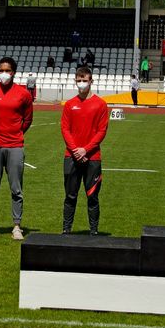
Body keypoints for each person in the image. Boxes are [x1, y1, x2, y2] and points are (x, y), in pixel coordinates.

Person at [0, 57, 33, 240]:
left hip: (15, 146)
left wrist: (16, 133)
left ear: (13, 72)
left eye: (8, 70)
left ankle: (17, 226)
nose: (4, 74)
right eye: (1, 70)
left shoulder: (23, 94)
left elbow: (27, 119)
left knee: (16, 189)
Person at [61, 67, 109, 235]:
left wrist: (85, 150)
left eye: (85, 80)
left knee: (93, 197)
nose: (81, 84)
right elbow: (65, 129)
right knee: (70, 196)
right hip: (71, 157)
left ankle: (94, 231)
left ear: (91, 82)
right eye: (78, 81)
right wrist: (75, 150)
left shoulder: (101, 104)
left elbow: (101, 131)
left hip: (93, 158)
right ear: (75, 81)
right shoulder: (69, 105)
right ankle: (66, 230)